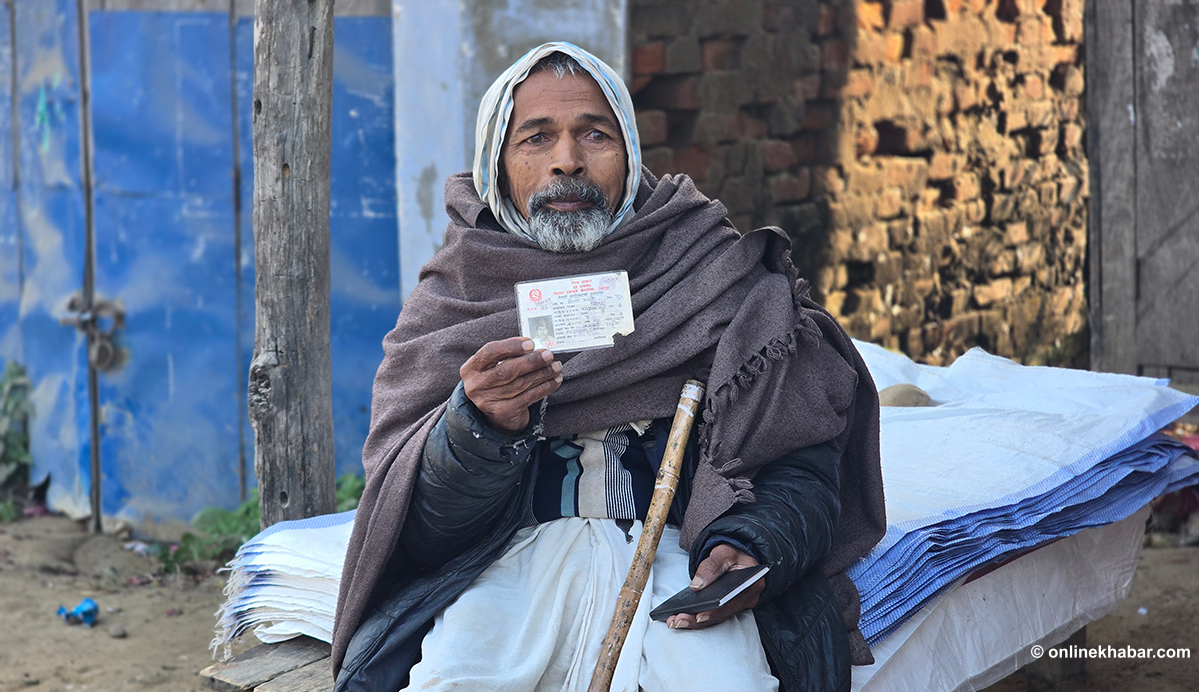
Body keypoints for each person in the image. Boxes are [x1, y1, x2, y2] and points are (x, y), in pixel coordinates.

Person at [332, 43, 885, 692]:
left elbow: (804, 464)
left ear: (629, 152)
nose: (567, 160)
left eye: (594, 134)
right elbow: (420, 530)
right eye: (535, 138)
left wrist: (756, 543)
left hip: (682, 563)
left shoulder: (709, 271)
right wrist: (479, 427)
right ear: (496, 164)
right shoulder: (454, 304)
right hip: (499, 570)